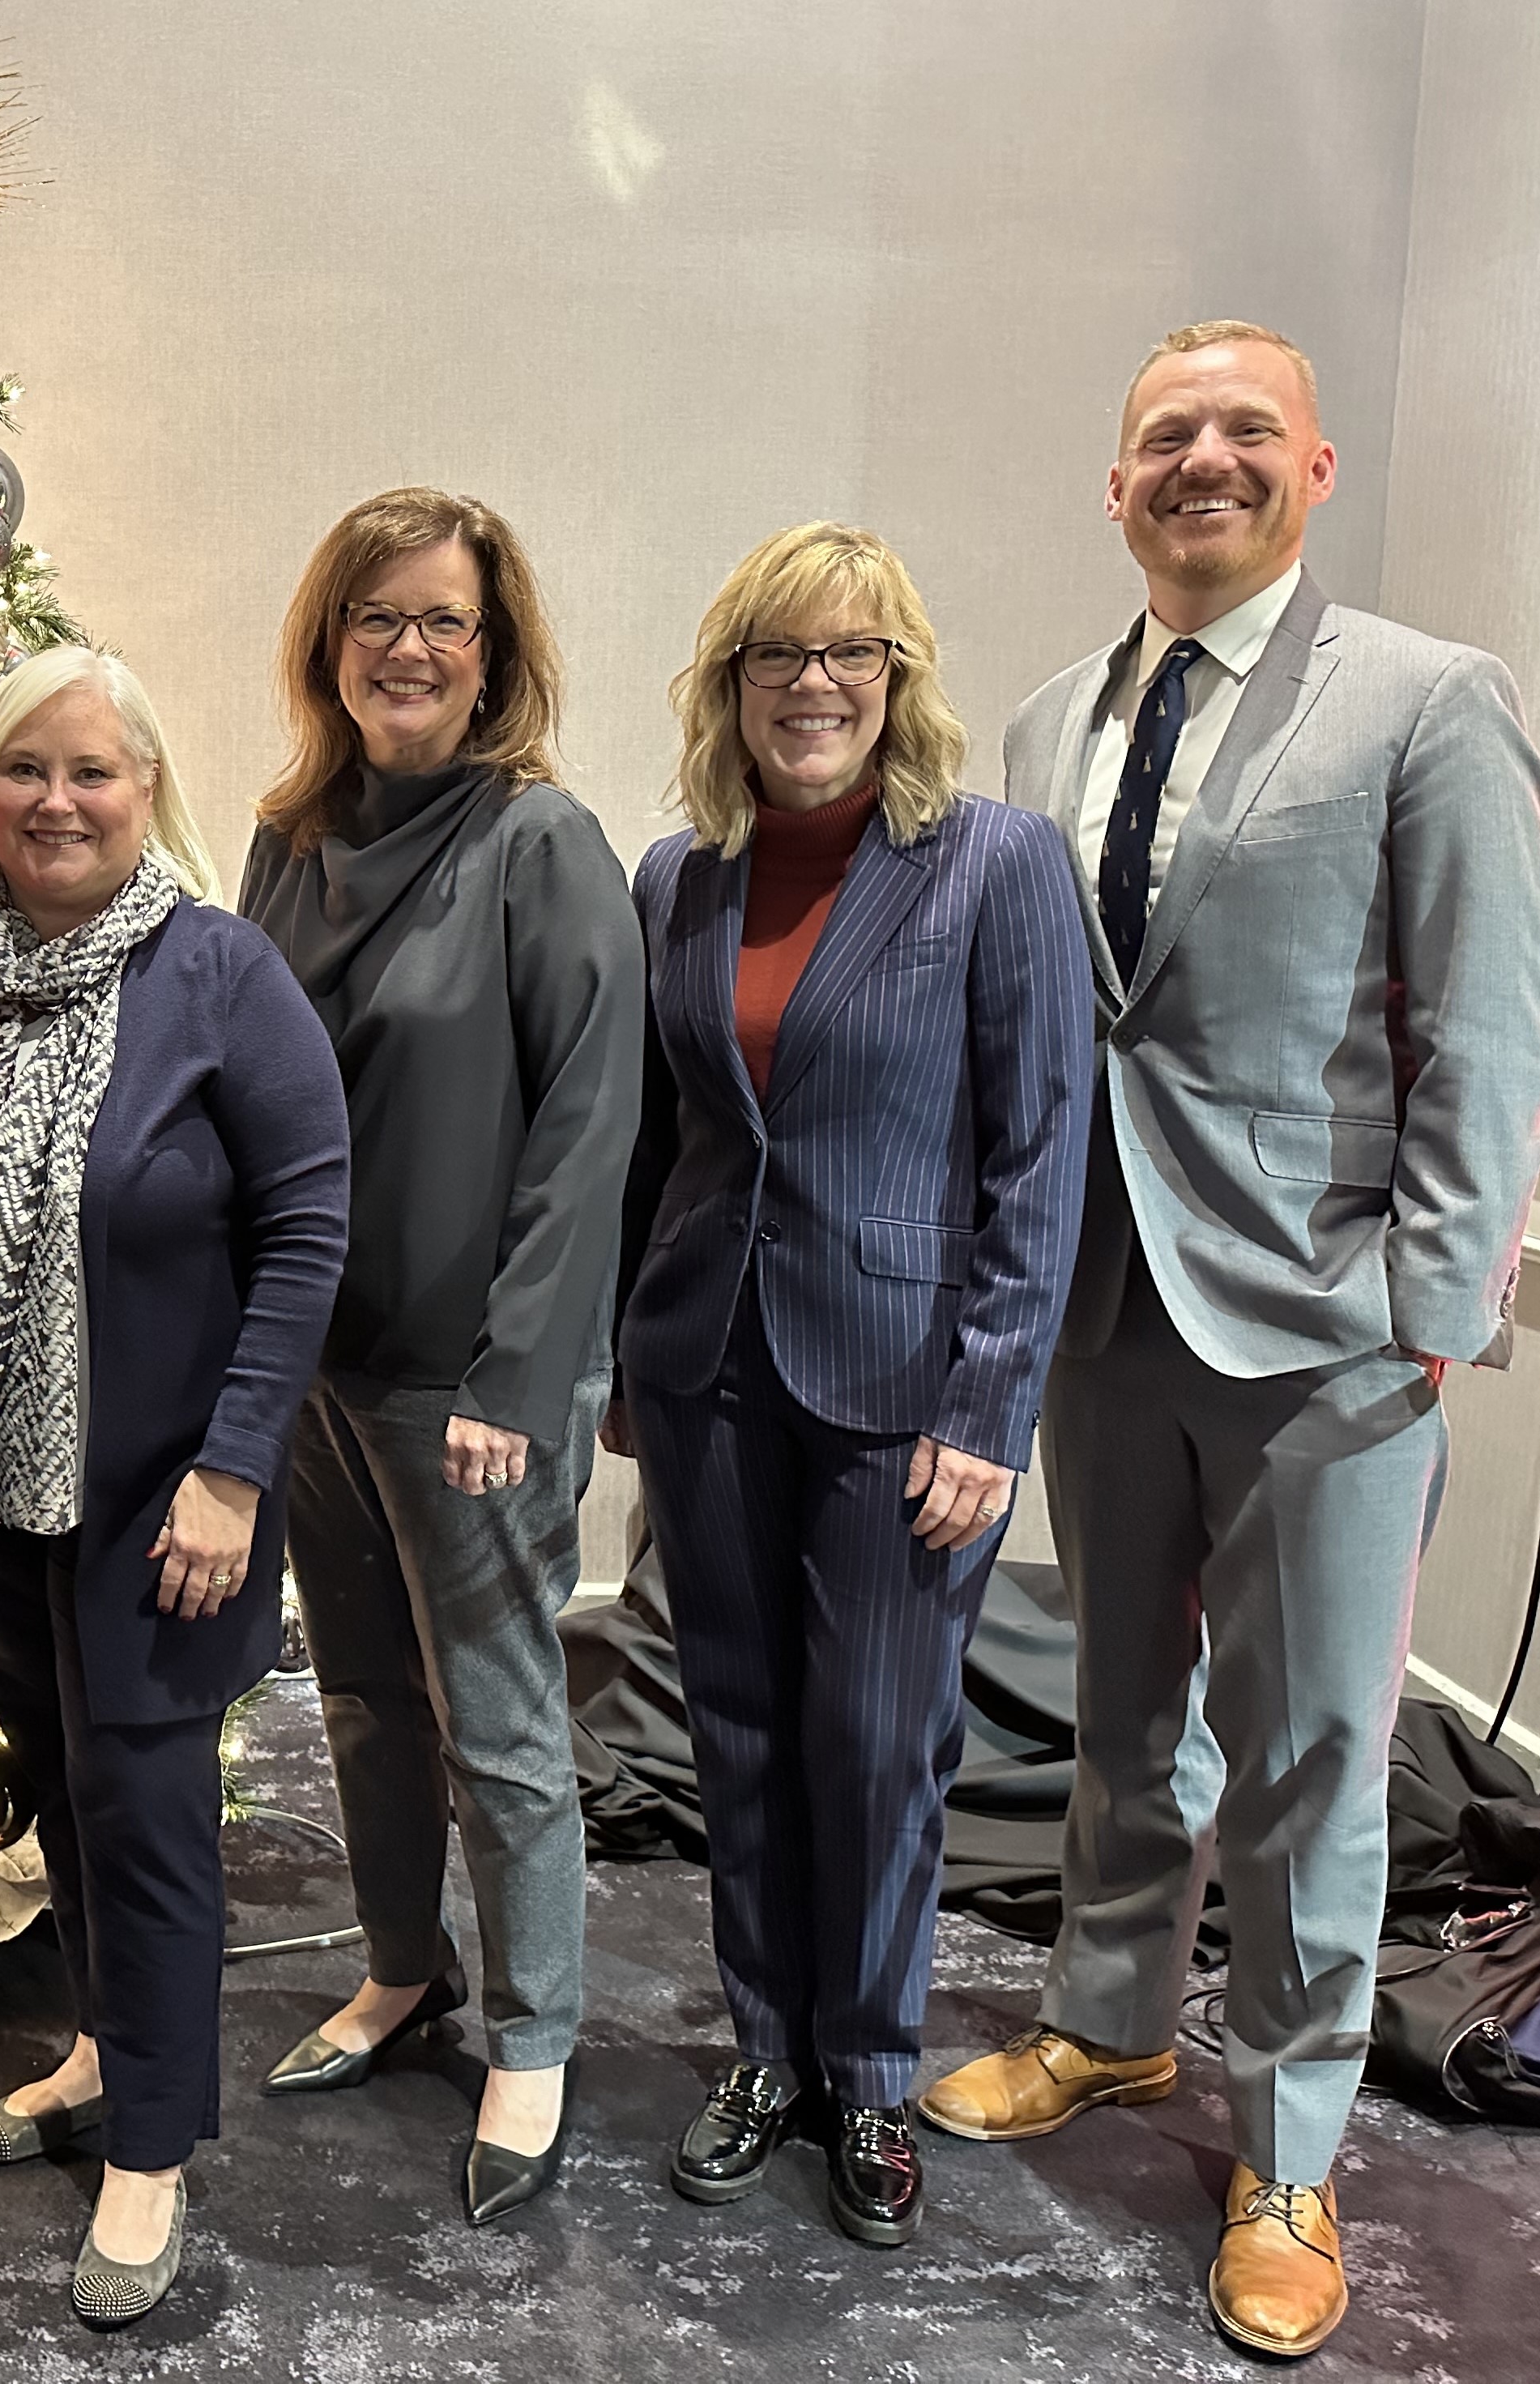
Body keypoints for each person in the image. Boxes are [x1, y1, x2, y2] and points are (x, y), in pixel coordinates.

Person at [915, 321, 1540, 2357]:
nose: (1204, 458)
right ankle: (1108, 2020)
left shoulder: (1430, 703)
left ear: (1316, 468)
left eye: (1244, 429)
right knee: (1114, 1709)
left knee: (1308, 1756)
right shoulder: (1036, 728)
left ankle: (1291, 2141)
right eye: (1165, 435)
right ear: (1115, 488)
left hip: (1323, 1333)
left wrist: (1429, 1316)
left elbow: (1488, 1030)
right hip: (1096, 1309)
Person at [614, 522, 1091, 2249]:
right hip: (707, 1364)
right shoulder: (680, 876)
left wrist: (991, 1402)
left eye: (851, 654)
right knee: (735, 1727)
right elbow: (656, 1141)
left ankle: (872, 2069)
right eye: (777, 655)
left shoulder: (995, 863)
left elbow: (1042, 1154)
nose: (812, 685)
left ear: (898, 679)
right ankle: (768, 2046)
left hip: (904, 1378)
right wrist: (623, 1352)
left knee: (879, 1739)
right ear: (729, 684)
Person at [0, 648, 349, 2326]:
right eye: (24, 771)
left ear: (148, 785)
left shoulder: (218, 972)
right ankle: (99, 2047)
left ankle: (151, 2147)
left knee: (147, 1811)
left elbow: (306, 1228)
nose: (57, 802)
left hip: (166, 1493)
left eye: (93, 770)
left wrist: (235, 1472)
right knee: (66, 1789)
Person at [240, 486, 643, 2224]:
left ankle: (537, 2031)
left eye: (445, 622)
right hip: (315, 1361)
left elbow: (591, 1123)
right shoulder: (288, 835)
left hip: (467, 1379)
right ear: (330, 644)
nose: (408, 648)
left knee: (498, 1717)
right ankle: (407, 1971)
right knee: (355, 1694)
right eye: (377, 617)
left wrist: (519, 1371)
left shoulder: (538, 842)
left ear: (496, 655)